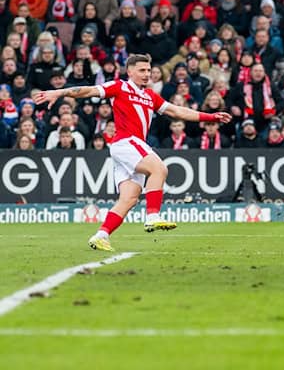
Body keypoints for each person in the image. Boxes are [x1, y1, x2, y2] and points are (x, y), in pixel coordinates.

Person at [35, 54, 232, 251]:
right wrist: (59, 93)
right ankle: (152, 216)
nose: (147, 74)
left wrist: (211, 117)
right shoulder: (119, 87)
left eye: (148, 70)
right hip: (127, 142)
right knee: (159, 169)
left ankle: (101, 235)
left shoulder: (150, 96)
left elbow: (177, 111)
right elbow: (89, 90)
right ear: (129, 71)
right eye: (142, 70)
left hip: (130, 146)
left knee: (129, 199)